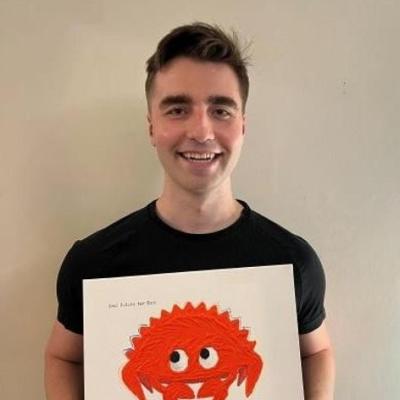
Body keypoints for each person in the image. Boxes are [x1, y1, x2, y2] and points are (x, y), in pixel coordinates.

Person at [44, 22, 335, 399]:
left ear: (243, 126)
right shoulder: (93, 262)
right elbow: (63, 357)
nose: (201, 131)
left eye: (221, 110)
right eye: (178, 109)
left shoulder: (292, 261)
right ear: (152, 127)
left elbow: (316, 351)